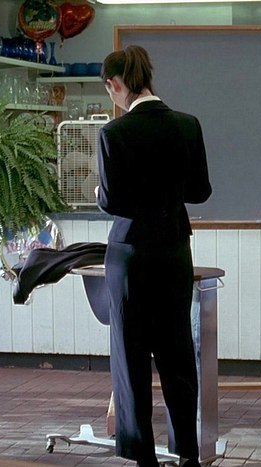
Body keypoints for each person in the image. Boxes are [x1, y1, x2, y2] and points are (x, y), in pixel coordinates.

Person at [95, 45, 212, 467]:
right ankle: (187, 454)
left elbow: (111, 202)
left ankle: (141, 455)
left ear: (115, 84)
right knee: (177, 354)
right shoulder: (187, 125)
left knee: (131, 358)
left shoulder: (113, 133)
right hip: (174, 250)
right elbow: (200, 191)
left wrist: (102, 191)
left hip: (130, 255)